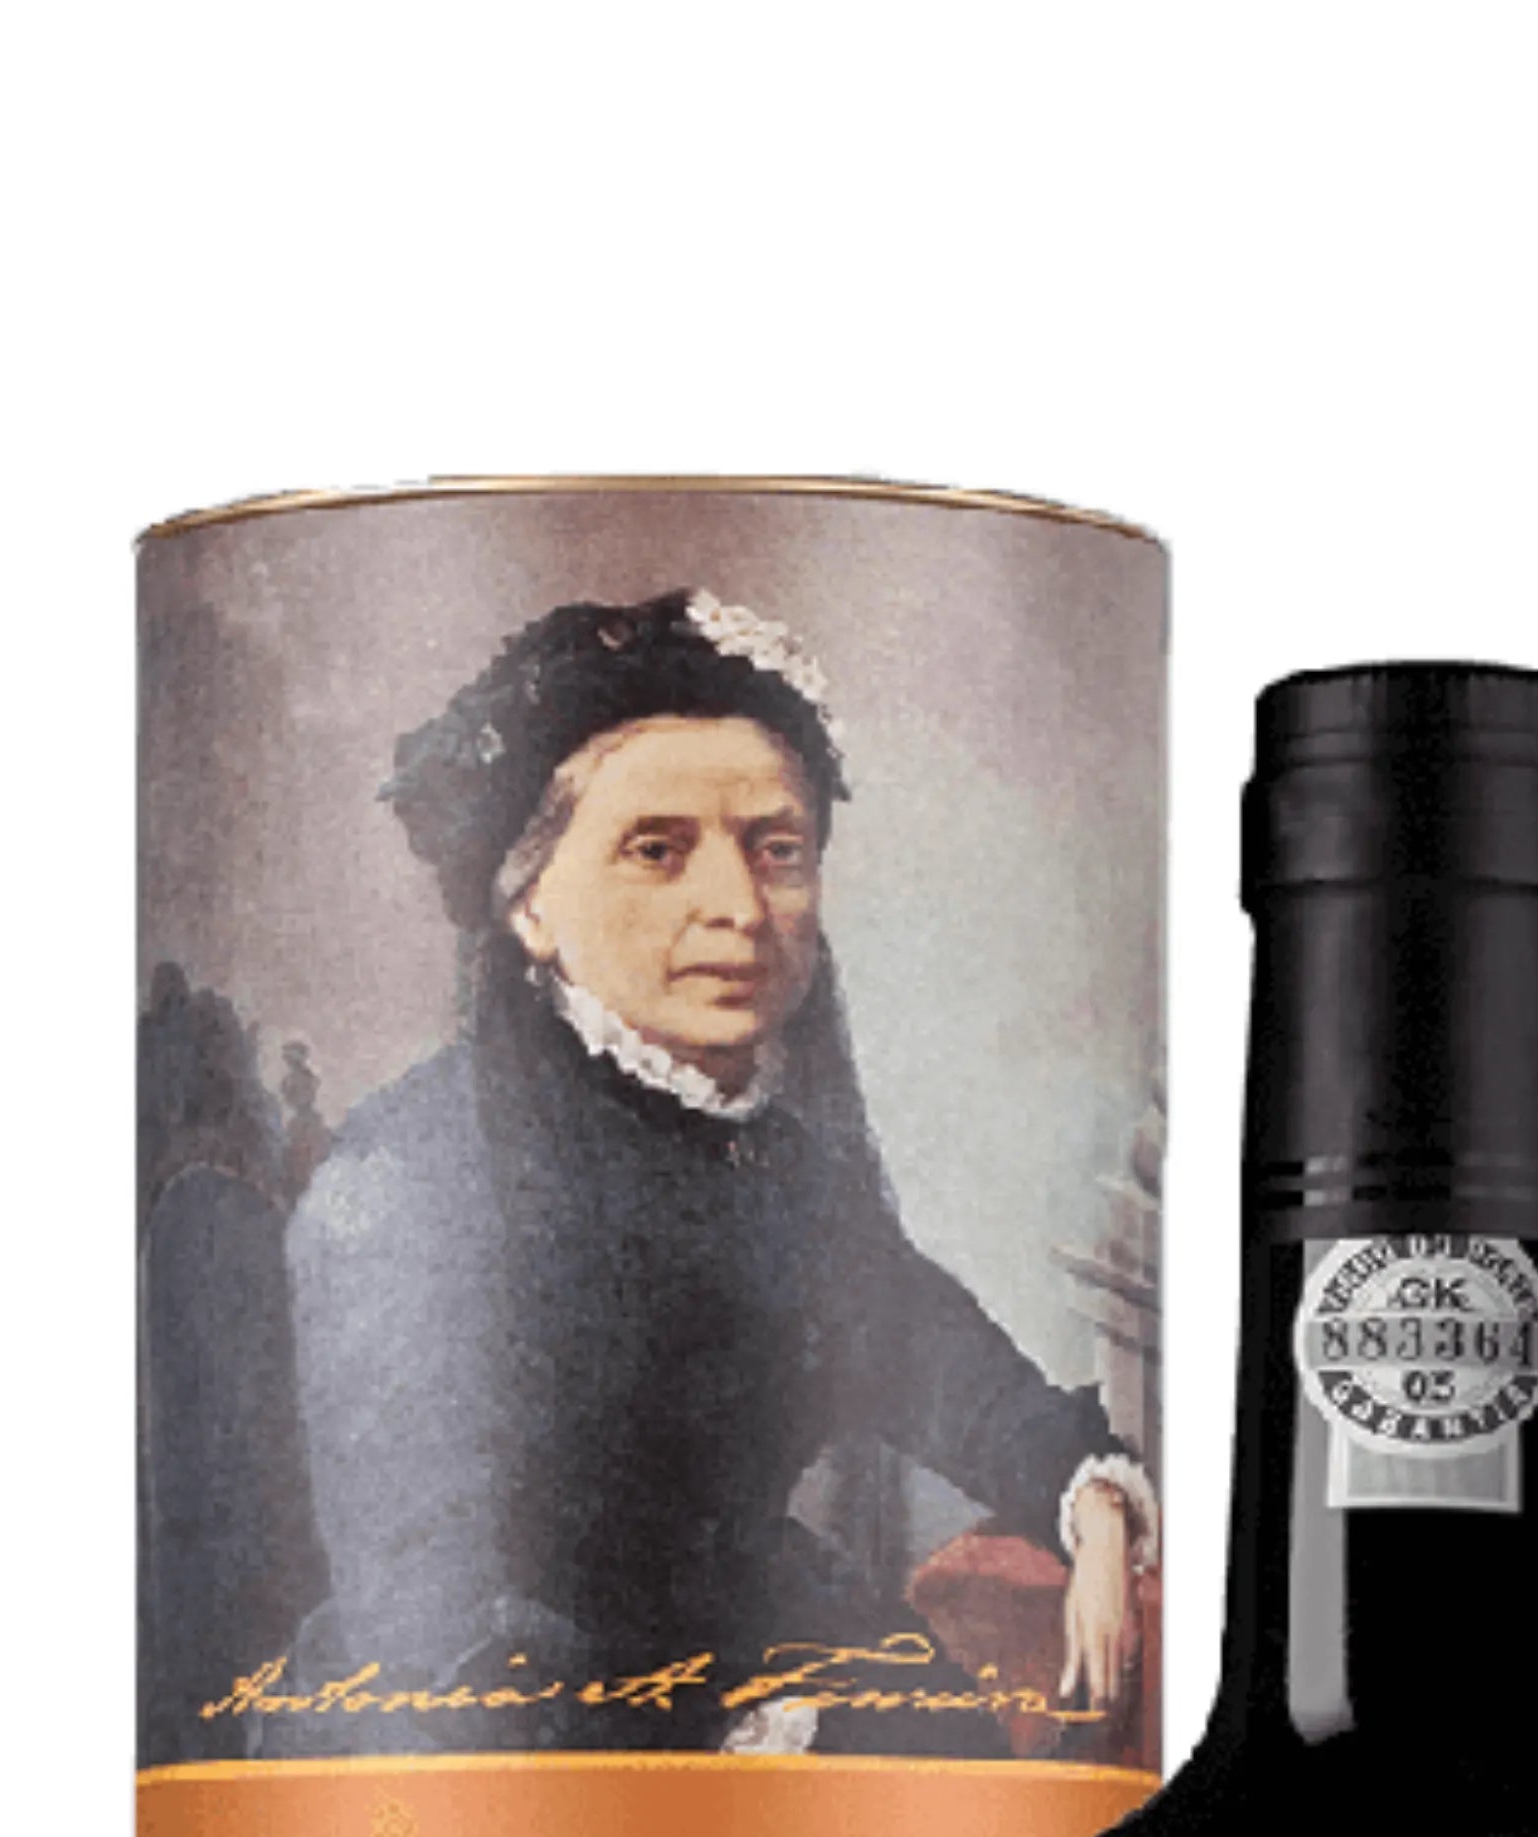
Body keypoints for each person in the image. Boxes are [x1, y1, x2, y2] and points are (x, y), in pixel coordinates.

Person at [261, 589, 1153, 1752]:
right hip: (501, 1732)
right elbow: (429, 1613)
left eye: (775, 851)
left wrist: (1086, 1495)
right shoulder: (409, 1180)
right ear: (529, 904)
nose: (737, 908)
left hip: (768, 1650)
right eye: (657, 850)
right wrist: (712, 1738)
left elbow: (936, 1362)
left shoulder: (777, 1160)